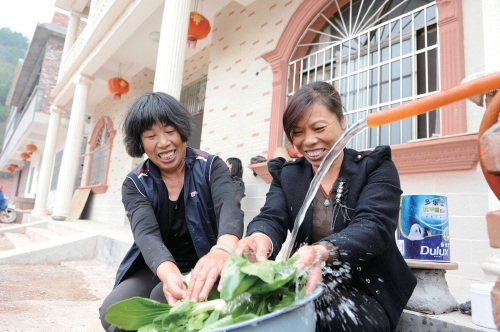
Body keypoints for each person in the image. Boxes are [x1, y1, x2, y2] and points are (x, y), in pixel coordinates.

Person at [235, 81, 416, 332]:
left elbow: (374, 226)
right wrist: (259, 236)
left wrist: (321, 251)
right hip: (307, 284)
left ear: (343, 121)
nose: (309, 141)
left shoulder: (374, 167)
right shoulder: (289, 176)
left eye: (319, 127)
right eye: (297, 132)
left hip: (365, 289)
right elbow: (272, 216)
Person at [99, 92, 244, 331]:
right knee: (114, 312)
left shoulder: (210, 166)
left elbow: (230, 209)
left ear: (182, 130)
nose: (163, 143)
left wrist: (222, 251)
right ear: (140, 142)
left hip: (206, 260)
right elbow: (146, 234)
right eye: (151, 136)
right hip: (158, 265)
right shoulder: (135, 182)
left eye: (169, 131)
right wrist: (168, 272)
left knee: (161, 301)